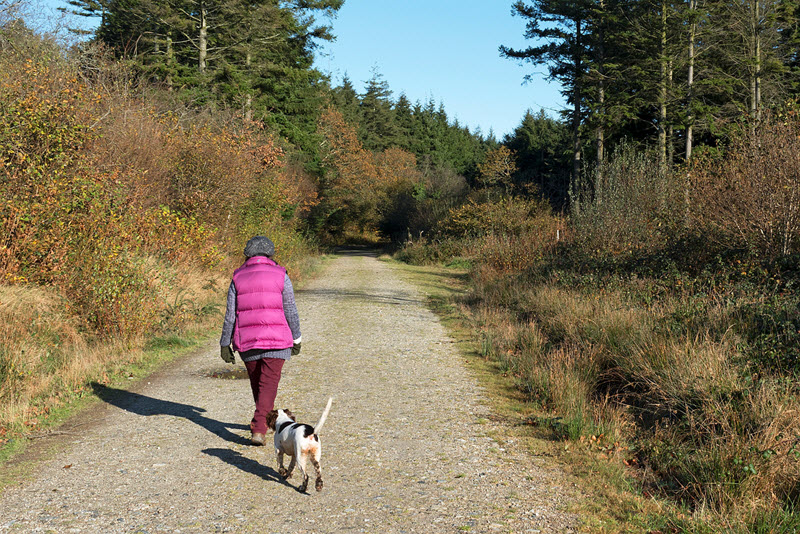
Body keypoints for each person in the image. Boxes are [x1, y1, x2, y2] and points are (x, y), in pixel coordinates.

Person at [219, 236, 301, 446]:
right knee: (267, 386)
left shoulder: (237, 277)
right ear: (270, 254)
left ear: (247, 254)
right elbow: (290, 309)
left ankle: (261, 423)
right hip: (278, 341)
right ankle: (259, 428)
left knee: (260, 385)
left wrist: (225, 342)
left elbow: (230, 315)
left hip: (247, 340)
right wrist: (297, 337)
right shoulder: (281, 274)